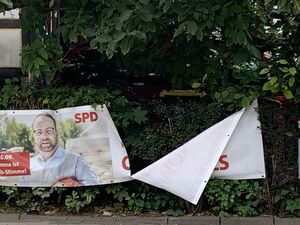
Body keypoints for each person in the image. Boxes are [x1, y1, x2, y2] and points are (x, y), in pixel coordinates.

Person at [20, 113, 99, 187]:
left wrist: (73, 185)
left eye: (49, 131)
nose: (44, 137)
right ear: (34, 136)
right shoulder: (28, 166)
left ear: (56, 132)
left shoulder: (76, 160)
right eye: (39, 132)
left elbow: (93, 184)